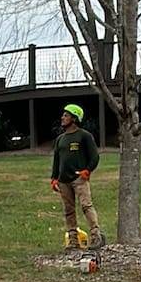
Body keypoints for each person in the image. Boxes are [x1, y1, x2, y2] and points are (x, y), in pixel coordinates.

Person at [49, 101, 102, 254]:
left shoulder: (84, 136)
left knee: (86, 206)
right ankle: (73, 240)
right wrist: (54, 178)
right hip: (63, 180)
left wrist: (87, 171)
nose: (62, 117)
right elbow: (57, 160)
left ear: (74, 118)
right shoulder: (60, 139)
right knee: (69, 210)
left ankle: (95, 235)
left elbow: (94, 157)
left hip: (79, 179)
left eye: (66, 115)